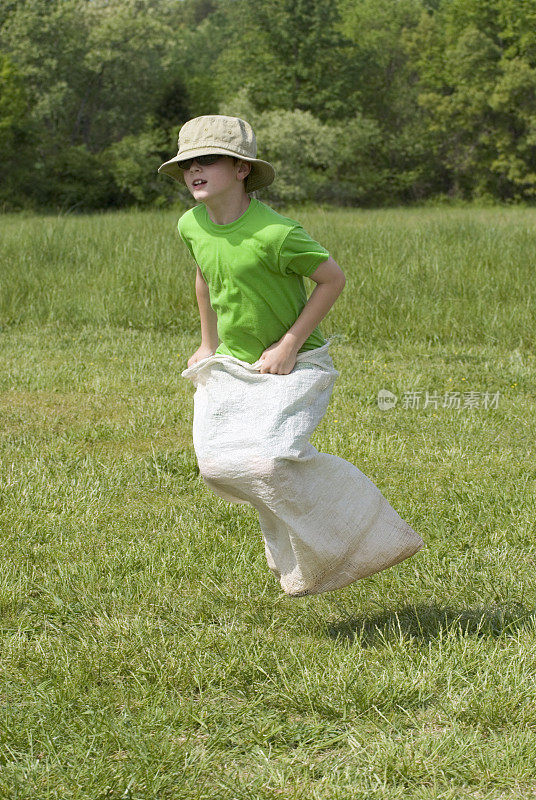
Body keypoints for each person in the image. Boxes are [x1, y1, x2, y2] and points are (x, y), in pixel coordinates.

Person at [158, 115, 423, 597]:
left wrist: (288, 345)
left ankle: (372, 532)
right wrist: (208, 342)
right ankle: (306, 545)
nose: (195, 170)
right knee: (216, 466)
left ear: (241, 169)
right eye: (188, 163)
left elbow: (333, 278)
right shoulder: (191, 224)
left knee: (268, 463)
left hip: (297, 363)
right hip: (234, 364)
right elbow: (205, 277)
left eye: (209, 160)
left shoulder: (277, 233)